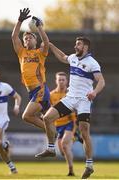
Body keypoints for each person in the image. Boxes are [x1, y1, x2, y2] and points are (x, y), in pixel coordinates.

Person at [35, 37, 105, 179]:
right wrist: (51, 45)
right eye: (75, 44)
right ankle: (51, 148)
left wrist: (94, 92)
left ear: (85, 47)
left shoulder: (92, 63)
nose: (75, 46)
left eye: (78, 44)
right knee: (47, 118)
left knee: (85, 132)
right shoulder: (73, 58)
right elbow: (62, 56)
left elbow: (101, 81)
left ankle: (89, 165)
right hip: (70, 98)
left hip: (84, 100)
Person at [11, 8, 50, 129]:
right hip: (32, 92)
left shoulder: (40, 53)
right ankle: (53, 133)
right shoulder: (21, 52)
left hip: (40, 90)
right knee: (49, 119)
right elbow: (14, 36)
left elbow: (46, 42)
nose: (27, 39)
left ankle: (51, 131)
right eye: (25, 39)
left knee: (26, 116)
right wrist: (19, 21)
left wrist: (39, 27)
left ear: (35, 40)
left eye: (30, 38)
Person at [50, 72, 77, 176]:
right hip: (58, 125)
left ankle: (71, 170)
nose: (61, 81)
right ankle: (74, 139)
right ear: (56, 81)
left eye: (63, 79)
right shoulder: (52, 95)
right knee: (62, 151)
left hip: (69, 122)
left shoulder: (71, 93)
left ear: (67, 81)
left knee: (65, 145)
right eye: (59, 79)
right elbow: (48, 110)